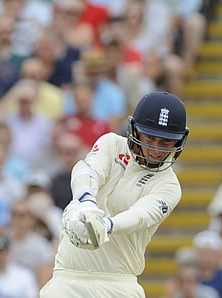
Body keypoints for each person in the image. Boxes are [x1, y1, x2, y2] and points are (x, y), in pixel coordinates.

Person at [39, 91, 189, 297]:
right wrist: (85, 203)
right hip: (68, 278)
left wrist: (107, 225)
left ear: (178, 142)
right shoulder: (111, 144)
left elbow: (141, 215)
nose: (155, 149)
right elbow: (87, 170)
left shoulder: (169, 185)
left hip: (119, 284)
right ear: (134, 130)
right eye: (150, 137)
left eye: (165, 142)